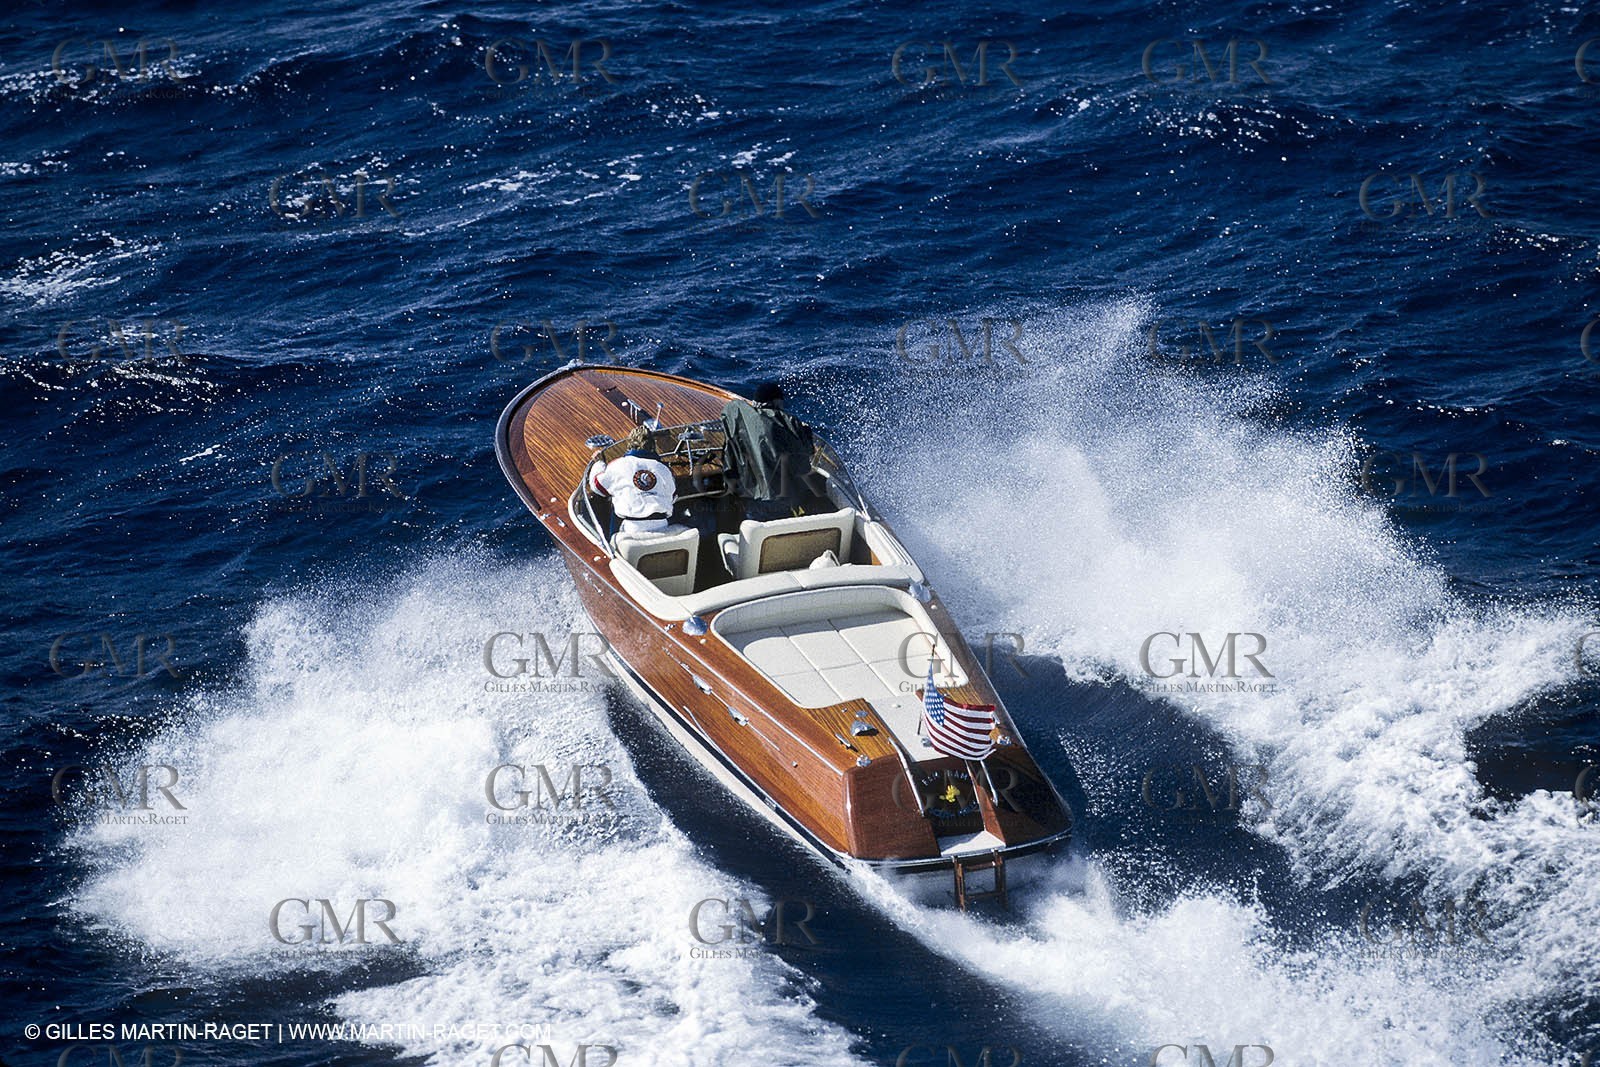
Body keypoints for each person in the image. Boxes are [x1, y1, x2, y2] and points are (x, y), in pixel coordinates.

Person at [721, 381, 827, 520]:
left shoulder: (742, 418)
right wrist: (805, 432)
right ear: (776, 402)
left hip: (753, 499)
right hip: (784, 499)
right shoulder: (789, 422)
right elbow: (804, 459)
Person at [588, 448, 677, 535]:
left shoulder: (618, 465)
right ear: (653, 448)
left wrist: (599, 463)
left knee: (616, 502)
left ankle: (610, 539)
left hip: (632, 528)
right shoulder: (663, 468)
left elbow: (597, 486)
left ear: (630, 447)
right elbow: (672, 493)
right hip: (662, 524)